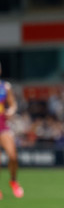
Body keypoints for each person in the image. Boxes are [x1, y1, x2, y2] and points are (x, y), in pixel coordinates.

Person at [0, 62, 24, 199]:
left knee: (13, 156)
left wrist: (12, 110)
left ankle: (13, 181)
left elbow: (13, 103)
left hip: (2, 125)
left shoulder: (5, 86)